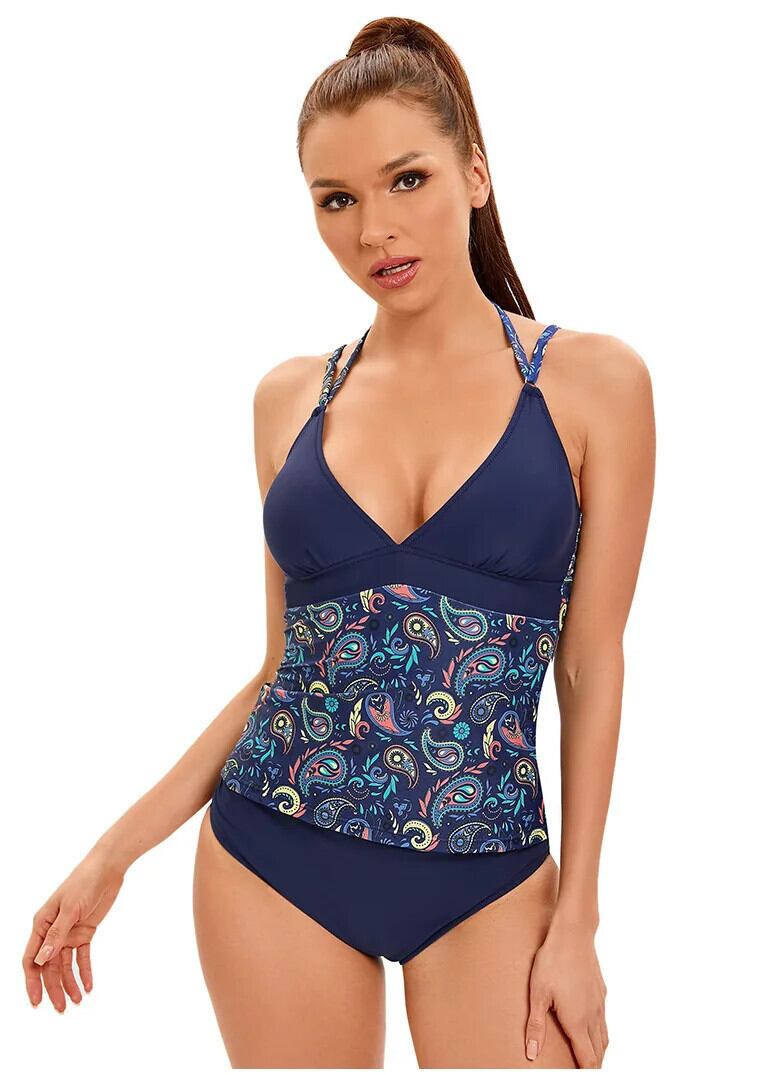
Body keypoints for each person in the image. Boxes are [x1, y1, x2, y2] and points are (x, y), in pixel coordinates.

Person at [22, 17, 654, 1069]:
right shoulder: (290, 401)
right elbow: (283, 668)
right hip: (272, 858)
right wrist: (113, 853)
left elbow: (589, 663)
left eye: (407, 180)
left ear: (476, 172)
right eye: (337, 199)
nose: (376, 231)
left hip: (489, 872)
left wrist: (578, 918)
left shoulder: (593, 385)